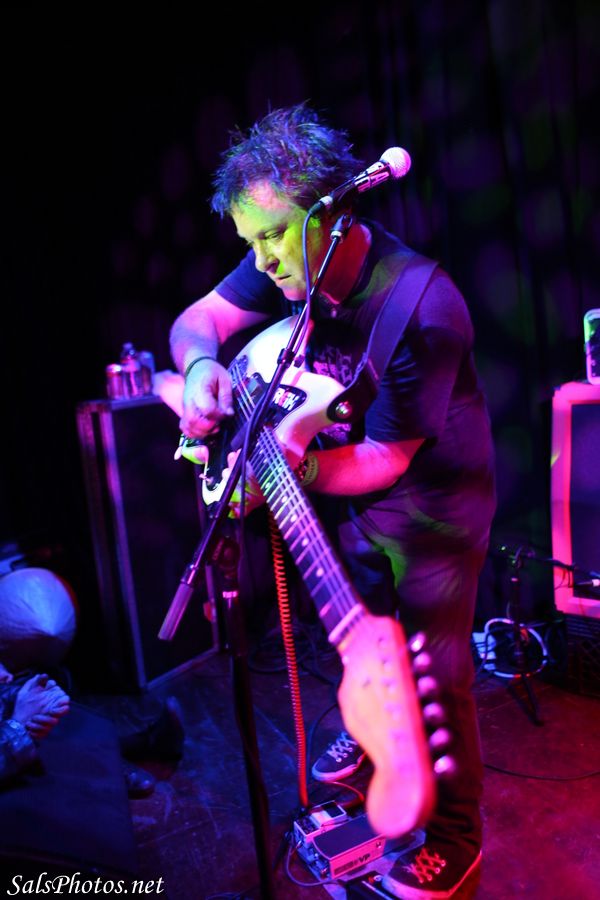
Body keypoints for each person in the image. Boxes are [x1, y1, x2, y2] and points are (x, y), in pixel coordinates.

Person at [170, 104, 496, 897]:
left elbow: (386, 460)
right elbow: (198, 320)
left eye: (272, 237)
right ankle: (376, 739)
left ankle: (456, 837)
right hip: (352, 479)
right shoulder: (284, 250)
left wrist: (291, 470)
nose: (262, 260)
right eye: (249, 241)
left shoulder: (421, 304)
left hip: (437, 506)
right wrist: (199, 367)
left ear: (334, 213)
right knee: (364, 639)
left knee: (435, 673)